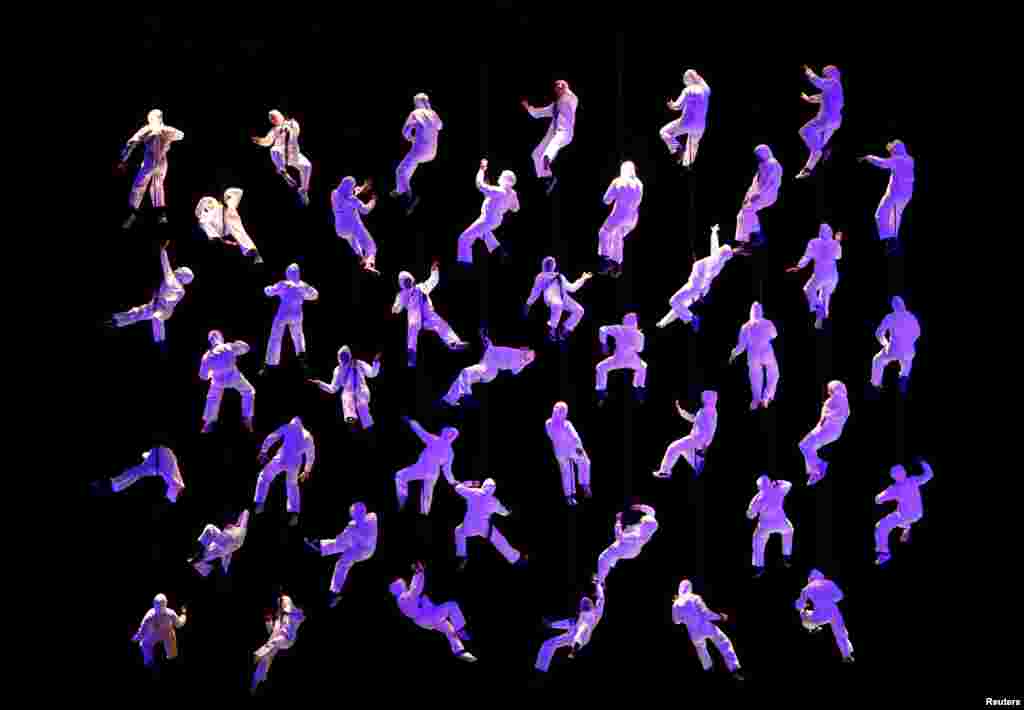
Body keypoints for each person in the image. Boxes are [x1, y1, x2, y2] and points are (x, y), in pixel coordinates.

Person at [656, 225, 739, 332]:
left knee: (674, 301)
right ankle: (664, 322)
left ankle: (691, 318)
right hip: (697, 288)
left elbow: (707, 276)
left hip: (695, 287)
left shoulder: (714, 262)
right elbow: (714, 245)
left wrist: (701, 291)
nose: (719, 248)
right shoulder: (716, 258)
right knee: (680, 307)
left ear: (722, 253)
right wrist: (714, 232)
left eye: (721, 249)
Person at [107, 241, 193, 345]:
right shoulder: (182, 291)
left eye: (180, 270)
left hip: (160, 309)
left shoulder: (172, 279)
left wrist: (162, 250)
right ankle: (116, 321)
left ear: (182, 274)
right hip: (158, 306)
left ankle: (116, 321)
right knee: (136, 313)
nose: (177, 269)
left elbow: (166, 265)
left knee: (153, 317)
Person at [389, 561, 476, 662]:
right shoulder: (403, 598)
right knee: (452, 606)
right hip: (428, 616)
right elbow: (415, 589)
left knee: (449, 629)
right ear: (398, 586)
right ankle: (460, 629)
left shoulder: (401, 600)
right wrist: (418, 572)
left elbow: (415, 593)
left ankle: (459, 651)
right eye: (402, 582)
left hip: (426, 617)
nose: (404, 583)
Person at [392, 262, 469, 368]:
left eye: (408, 279)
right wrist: (396, 308)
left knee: (441, 323)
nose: (408, 282)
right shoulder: (402, 294)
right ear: (402, 284)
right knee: (413, 327)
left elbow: (432, 281)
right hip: (415, 316)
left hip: (429, 316)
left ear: (412, 279)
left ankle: (454, 343)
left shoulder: (421, 287)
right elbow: (397, 306)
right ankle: (411, 355)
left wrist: (434, 271)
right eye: (405, 281)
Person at [119, 109, 184, 229]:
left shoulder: (155, 129)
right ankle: (152, 215)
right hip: (156, 162)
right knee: (150, 186)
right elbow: (181, 135)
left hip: (155, 162)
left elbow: (131, 143)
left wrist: (123, 159)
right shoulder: (157, 129)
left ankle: (144, 215)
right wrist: (124, 159)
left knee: (147, 187)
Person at [304, 502, 378, 607]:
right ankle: (319, 546)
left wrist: (350, 530)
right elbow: (340, 540)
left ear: (364, 512)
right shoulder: (354, 525)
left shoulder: (371, 519)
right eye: (355, 514)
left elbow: (342, 539)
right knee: (341, 545)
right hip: (357, 543)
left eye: (360, 512)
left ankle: (334, 592)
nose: (358, 516)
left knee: (343, 561)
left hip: (365, 550)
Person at [441, 329, 535, 407]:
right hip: (488, 365)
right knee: (465, 375)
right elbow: (486, 342)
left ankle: (465, 396)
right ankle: (449, 400)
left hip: (490, 368)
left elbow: (516, 370)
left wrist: (525, 360)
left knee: (466, 372)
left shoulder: (518, 357)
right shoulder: (490, 347)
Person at [672, 580, 743, 681]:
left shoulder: (676, 604)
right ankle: (735, 670)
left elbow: (676, 621)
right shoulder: (695, 597)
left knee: (701, 651)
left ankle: (709, 671)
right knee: (724, 643)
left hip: (694, 633)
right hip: (705, 626)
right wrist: (720, 617)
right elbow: (706, 613)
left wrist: (686, 617)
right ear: (690, 587)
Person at [456, 159, 519, 267]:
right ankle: (497, 250)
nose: (499, 177)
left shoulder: (499, 191)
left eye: (501, 176)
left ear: (503, 179)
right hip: (496, 220)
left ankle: (465, 265)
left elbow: (480, 185)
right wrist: (501, 204)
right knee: (484, 232)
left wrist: (481, 169)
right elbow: (515, 208)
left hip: (487, 220)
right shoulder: (512, 193)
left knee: (464, 238)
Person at [253, 417, 316, 527]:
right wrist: (307, 470)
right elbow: (311, 454)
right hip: (295, 462)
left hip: (282, 457)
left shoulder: (288, 427)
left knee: (264, 477)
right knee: (292, 486)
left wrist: (264, 450)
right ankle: (294, 512)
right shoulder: (308, 435)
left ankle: (260, 502)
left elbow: (272, 437)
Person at [452, 478, 526, 571]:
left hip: (469, 525)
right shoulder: (494, 501)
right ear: (493, 489)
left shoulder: (473, 492)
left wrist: (472, 483)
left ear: (484, 486)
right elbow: (503, 512)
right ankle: (516, 560)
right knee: (499, 540)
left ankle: (462, 556)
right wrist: (509, 511)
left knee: (458, 531)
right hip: (484, 527)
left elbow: (458, 487)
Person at [535, 576, 605, 672]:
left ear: (591, 606)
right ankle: (540, 668)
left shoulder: (594, 614)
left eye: (586, 605)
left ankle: (574, 646)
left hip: (581, 636)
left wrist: (598, 584)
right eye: (583, 606)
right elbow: (568, 623)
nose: (583, 606)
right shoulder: (581, 615)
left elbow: (601, 599)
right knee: (548, 644)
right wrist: (552, 625)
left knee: (582, 626)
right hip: (574, 633)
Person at [522, 79, 579, 195]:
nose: (558, 88)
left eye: (561, 86)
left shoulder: (570, 100)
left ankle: (547, 158)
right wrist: (528, 107)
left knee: (548, 152)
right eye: (556, 86)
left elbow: (571, 95)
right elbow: (538, 113)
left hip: (564, 132)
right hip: (553, 133)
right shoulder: (554, 106)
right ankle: (547, 178)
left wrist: (565, 86)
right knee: (536, 154)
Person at [261, 263, 319, 376]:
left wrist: (266, 288)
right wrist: (303, 294)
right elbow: (315, 295)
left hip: (283, 313)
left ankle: (270, 364)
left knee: (275, 337)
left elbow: (270, 292)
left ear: (288, 273)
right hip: (297, 313)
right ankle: (303, 361)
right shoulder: (303, 285)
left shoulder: (283, 284)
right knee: (298, 336)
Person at [859, 140, 914, 255]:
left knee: (888, 216)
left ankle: (892, 243)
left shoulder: (899, 160)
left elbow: (882, 163)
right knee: (886, 215)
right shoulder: (909, 159)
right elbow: (894, 160)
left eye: (892, 151)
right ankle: (890, 241)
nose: (891, 153)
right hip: (901, 194)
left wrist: (868, 157)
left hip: (898, 194)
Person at [874, 459, 933, 566]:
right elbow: (929, 475)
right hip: (918, 514)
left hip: (904, 516)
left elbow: (878, 500)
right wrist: (924, 463)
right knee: (900, 511)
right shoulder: (913, 480)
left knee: (881, 526)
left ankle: (883, 553)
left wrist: (879, 496)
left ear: (893, 476)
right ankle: (907, 527)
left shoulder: (894, 488)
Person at [394, 417, 459, 515]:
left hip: (422, 468)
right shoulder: (450, 452)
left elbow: (420, 432)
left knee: (400, 476)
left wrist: (411, 422)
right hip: (433, 473)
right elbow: (447, 471)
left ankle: (402, 500)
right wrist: (453, 482)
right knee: (427, 496)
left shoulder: (434, 439)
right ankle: (424, 514)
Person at [392, 93, 443, 214]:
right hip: (432, 152)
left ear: (417, 102)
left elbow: (405, 132)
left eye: (415, 102)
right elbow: (440, 126)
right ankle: (399, 189)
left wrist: (411, 138)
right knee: (408, 169)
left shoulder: (415, 113)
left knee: (400, 171)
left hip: (420, 150)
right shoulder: (434, 113)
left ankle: (410, 198)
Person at [786, 224, 844, 330]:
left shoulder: (814, 242)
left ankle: (818, 307)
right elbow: (839, 256)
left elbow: (807, 256)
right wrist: (837, 242)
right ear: (830, 232)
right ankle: (823, 318)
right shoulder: (834, 243)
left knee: (808, 289)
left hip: (820, 274)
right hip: (833, 276)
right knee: (825, 295)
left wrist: (798, 267)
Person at [309, 346, 381, 431]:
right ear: (338, 357)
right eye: (342, 355)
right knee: (346, 397)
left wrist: (375, 362)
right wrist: (320, 383)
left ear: (349, 355)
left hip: (361, 390)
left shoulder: (358, 363)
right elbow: (333, 388)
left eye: (345, 355)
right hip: (348, 393)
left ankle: (368, 427)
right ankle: (351, 419)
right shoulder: (338, 370)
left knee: (362, 407)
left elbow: (372, 373)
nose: (344, 358)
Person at [524, 257, 593, 343]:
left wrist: (583, 278)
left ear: (554, 266)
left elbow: (572, 288)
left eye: (551, 263)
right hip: (551, 296)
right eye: (547, 263)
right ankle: (552, 330)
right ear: (543, 265)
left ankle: (565, 329)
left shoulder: (560, 276)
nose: (549, 265)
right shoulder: (541, 276)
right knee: (558, 304)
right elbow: (535, 291)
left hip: (563, 297)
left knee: (580, 310)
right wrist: (528, 304)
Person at [252, 109, 312, 206]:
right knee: (274, 150)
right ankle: (282, 170)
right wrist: (259, 140)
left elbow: (296, 131)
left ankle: (303, 190)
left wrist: (288, 125)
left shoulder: (291, 123)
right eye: (271, 119)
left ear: (280, 116)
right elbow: (267, 142)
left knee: (307, 166)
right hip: (282, 153)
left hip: (294, 154)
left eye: (274, 117)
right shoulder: (274, 130)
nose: (272, 120)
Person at [199, 330, 255, 434]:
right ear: (220, 338)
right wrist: (238, 342)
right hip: (234, 377)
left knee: (212, 398)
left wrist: (210, 373)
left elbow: (203, 377)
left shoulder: (206, 357)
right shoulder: (228, 347)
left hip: (217, 381)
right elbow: (246, 348)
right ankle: (247, 418)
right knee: (249, 392)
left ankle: (209, 423)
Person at [653, 392, 718, 478]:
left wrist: (705, 445)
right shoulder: (705, 409)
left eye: (703, 396)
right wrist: (681, 411)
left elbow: (711, 430)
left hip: (698, 439)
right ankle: (699, 469)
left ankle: (665, 472)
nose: (701, 398)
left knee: (673, 448)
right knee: (683, 450)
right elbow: (694, 419)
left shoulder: (709, 411)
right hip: (697, 438)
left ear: (708, 398)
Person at [251, 592, 306, 694]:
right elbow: (271, 632)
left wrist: (286, 607)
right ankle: (256, 681)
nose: (280, 606)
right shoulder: (278, 618)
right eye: (280, 604)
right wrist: (268, 621)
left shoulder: (295, 612)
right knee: (266, 659)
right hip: (276, 641)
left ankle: (256, 656)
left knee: (273, 643)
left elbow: (300, 616)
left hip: (286, 639)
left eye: (282, 603)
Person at [795, 570, 854, 663]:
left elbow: (798, 605)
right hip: (834, 613)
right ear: (821, 576)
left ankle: (813, 627)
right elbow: (840, 596)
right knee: (840, 633)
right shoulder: (829, 583)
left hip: (819, 615)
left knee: (803, 612)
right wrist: (829, 600)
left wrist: (804, 606)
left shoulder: (806, 588)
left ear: (810, 579)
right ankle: (847, 656)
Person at [796, 65, 844, 179]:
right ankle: (807, 170)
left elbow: (819, 82)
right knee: (819, 146)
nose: (824, 75)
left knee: (804, 131)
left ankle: (819, 151)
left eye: (825, 73)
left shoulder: (834, 83)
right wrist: (808, 98)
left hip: (826, 119)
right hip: (834, 122)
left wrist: (809, 73)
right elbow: (820, 97)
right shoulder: (834, 87)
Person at [597, 161, 644, 277]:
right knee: (617, 236)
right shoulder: (639, 183)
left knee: (604, 232)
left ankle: (605, 259)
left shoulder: (618, 181)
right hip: (633, 218)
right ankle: (617, 264)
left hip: (620, 214)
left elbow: (606, 200)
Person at [729, 302, 779, 409]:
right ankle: (766, 397)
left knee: (755, 378)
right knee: (773, 374)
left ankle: (756, 400)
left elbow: (741, 346)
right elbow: (774, 335)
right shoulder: (768, 323)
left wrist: (733, 354)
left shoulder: (745, 326)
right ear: (761, 311)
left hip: (753, 354)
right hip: (766, 352)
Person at [798, 381, 849, 485]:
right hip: (828, 431)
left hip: (827, 431)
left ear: (835, 389)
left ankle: (819, 466)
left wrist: (825, 418)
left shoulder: (838, 400)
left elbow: (836, 415)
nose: (828, 391)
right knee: (808, 447)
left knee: (804, 446)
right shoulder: (840, 400)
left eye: (829, 389)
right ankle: (815, 472)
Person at [94, 446, 185, 503]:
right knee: (137, 472)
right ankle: (114, 485)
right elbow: (175, 489)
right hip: (159, 461)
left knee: (137, 472)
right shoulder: (175, 482)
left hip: (159, 461)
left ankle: (114, 485)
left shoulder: (174, 479)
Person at [195, 188, 263, 263]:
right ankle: (252, 252)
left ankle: (253, 252)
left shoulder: (229, 205)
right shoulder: (206, 216)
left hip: (222, 218)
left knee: (231, 219)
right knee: (207, 223)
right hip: (216, 223)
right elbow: (205, 224)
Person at [595, 504, 659, 585]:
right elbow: (651, 512)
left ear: (644, 524)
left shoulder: (637, 536)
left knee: (604, 557)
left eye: (642, 521)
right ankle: (606, 570)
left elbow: (619, 537)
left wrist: (618, 520)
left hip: (628, 551)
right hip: (634, 549)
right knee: (629, 530)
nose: (641, 520)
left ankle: (600, 581)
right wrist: (640, 507)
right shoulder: (650, 526)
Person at [870, 296, 921, 396]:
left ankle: (876, 384)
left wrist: (885, 344)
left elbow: (878, 333)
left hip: (893, 349)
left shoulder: (890, 317)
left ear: (893, 306)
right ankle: (904, 377)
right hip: (908, 350)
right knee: (907, 359)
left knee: (877, 360)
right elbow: (918, 332)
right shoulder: (911, 316)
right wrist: (909, 341)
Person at [659, 69, 711, 168]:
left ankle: (677, 148)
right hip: (700, 127)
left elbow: (678, 106)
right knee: (692, 148)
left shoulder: (688, 90)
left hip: (686, 122)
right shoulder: (706, 90)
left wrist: (672, 105)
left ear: (687, 80)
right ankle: (688, 166)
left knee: (664, 132)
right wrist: (698, 77)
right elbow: (701, 80)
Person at [746, 475, 794, 578]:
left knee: (757, 542)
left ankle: (759, 568)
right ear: (769, 482)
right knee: (789, 531)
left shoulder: (757, 498)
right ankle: (787, 557)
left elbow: (750, 516)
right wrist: (778, 481)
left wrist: (751, 511)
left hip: (765, 525)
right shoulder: (778, 490)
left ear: (759, 486)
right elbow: (789, 484)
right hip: (781, 522)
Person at [545, 402, 591, 506]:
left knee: (566, 472)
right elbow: (576, 437)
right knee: (585, 462)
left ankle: (569, 496)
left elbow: (550, 436)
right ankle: (585, 484)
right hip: (573, 449)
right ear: (564, 412)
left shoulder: (547, 423)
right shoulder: (566, 424)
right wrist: (580, 448)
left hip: (559, 452)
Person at [735, 145, 782, 246]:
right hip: (758, 194)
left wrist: (760, 194)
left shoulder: (773, 164)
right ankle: (744, 241)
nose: (757, 157)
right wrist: (747, 197)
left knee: (748, 210)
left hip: (768, 194)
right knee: (741, 214)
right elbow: (755, 183)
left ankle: (758, 236)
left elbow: (772, 183)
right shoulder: (762, 165)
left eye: (758, 154)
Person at [596, 313, 647, 405]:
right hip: (632, 361)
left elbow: (602, 329)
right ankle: (638, 388)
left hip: (617, 359)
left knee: (601, 367)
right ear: (635, 322)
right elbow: (640, 350)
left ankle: (601, 392)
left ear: (625, 321)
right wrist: (637, 336)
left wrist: (604, 344)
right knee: (643, 367)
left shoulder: (619, 328)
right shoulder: (640, 335)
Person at [332, 176, 379, 273]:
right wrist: (372, 201)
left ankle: (360, 256)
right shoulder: (353, 200)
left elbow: (349, 192)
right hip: (353, 226)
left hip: (340, 230)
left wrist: (363, 187)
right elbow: (365, 210)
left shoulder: (334, 193)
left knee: (351, 238)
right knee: (371, 247)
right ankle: (369, 264)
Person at [132, 594, 187, 668]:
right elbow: (179, 624)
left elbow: (142, 631)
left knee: (145, 644)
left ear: (154, 603)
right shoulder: (170, 613)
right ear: (166, 603)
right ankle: (172, 655)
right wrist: (183, 615)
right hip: (167, 635)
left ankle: (149, 660)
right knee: (171, 642)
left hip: (153, 635)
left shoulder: (149, 616)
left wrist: (136, 638)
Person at [189, 510, 249, 577]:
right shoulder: (212, 552)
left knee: (210, 528)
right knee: (210, 529)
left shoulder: (211, 550)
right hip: (225, 546)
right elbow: (227, 557)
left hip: (228, 542)